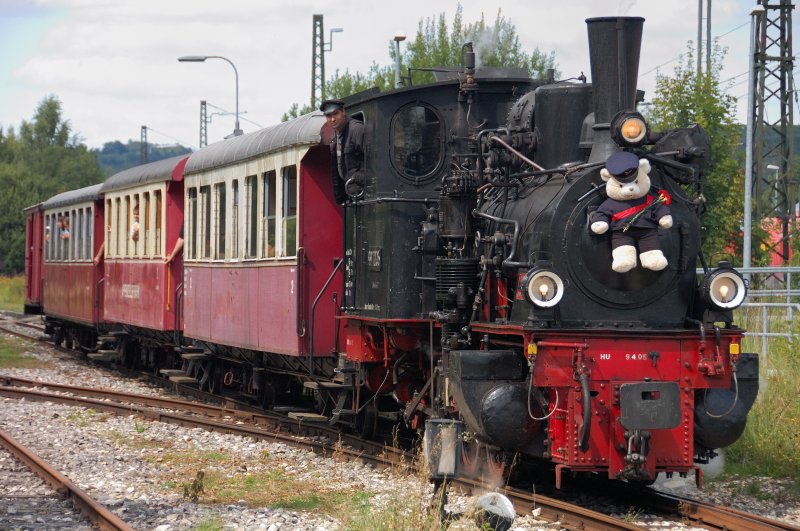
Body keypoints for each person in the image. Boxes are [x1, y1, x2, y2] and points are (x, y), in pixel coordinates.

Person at [320, 99, 364, 204]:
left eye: (336, 114)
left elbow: (375, 161)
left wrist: (358, 178)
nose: (332, 119)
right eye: (329, 116)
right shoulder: (335, 135)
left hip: (364, 194)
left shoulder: (357, 130)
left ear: (343, 112)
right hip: (350, 195)